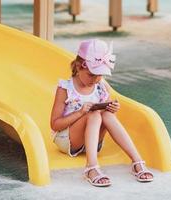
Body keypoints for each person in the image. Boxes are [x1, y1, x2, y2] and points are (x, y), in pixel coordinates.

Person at [50, 39, 153, 187]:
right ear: (79, 67)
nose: (96, 79)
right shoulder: (65, 89)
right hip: (68, 141)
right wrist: (80, 113)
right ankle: (91, 168)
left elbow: (106, 117)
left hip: (93, 143)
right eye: (92, 74)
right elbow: (54, 125)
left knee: (106, 114)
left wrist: (112, 109)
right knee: (92, 113)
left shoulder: (101, 86)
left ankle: (137, 161)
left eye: (100, 74)